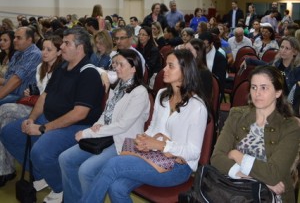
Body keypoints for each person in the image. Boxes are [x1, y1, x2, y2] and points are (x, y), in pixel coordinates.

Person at [81, 49, 208, 203]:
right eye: (165, 65)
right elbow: (153, 128)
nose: (164, 70)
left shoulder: (197, 107)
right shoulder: (162, 95)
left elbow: (193, 152)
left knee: (114, 164)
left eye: (170, 66)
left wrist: (162, 145)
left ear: (185, 71)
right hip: (152, 156)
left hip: (178, 167)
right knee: (116, 187)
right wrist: (144, 139)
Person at [0, 27, 104, 203]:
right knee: (9, 133)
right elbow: (44, 97)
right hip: (48, 118)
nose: (61, 46)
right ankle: (41, 176)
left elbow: (79, 113)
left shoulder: (89, 73)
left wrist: (42, 128)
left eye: (66, 43)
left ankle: (60, 187)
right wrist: (31, 119)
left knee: (41, 152)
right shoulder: (62, 69)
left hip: (76, 126)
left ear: (79, 48)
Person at [59, 49, 150, 203]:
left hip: (123, 142)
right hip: (106, 135)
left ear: (134, 68)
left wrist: (88, 133)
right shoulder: (119, 85)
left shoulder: (140, 93)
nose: (116, 68)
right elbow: (106, 113)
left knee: (86, 171)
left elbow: (122, 126)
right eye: (116, 64)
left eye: (121, 65)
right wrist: (97, 125)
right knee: (65, 158)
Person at [211, 65, 300, 203]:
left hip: (270, 197)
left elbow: (273, 174)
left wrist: (236, 154)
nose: (257, 93)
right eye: (254, 87)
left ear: (278, 92)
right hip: (234, 189)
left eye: (264, 87)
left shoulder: (290, 126)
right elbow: (216, 158)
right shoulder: (236, 115)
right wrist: (253, 179)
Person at [0, 35, 63, 187]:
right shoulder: (41, 67)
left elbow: (95, 70)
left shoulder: (63, 69)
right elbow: (41, 92)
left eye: (49, 50)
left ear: (59, 52)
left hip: (50, 112)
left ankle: (8, 168)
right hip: (36, 106)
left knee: (4, 111)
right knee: (6, 123)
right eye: (43, 49)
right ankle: (30, 170)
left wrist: (104, 76)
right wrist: (32, 92)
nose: (44, 53)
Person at [0, 27, 42, 105]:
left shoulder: (35, 54)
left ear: (29, 40)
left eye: (18, 38)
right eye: (15, 37)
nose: (14, 40)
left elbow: (17, 79)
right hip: (10, 91)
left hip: (20, 96)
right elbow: (8, 78)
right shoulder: (18, 52)